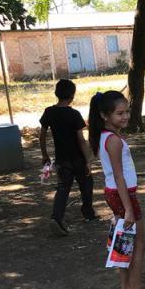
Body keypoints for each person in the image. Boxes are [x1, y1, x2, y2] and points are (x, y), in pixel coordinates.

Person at [88, 90, 145, 289]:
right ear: (104, 115)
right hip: (123, 195)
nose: (125, 116)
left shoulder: (107, 136)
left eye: (127, 111)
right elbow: (119, 175)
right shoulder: (113, 140)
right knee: (139, 243)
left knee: (124, 242)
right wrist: (129, 209)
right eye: (119, 113)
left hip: (116, 194)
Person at [39, 78, 96, 235]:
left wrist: (45, 154)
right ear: (72, 95)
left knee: (63, 188)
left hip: (62, 159)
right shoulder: (74, 114)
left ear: (56, 94)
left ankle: (56, 218)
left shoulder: (49, 112)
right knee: (86, 184)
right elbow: (81, 140)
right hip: (78, 158)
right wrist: (89, 161)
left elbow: (42, 135)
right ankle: (88, 213)